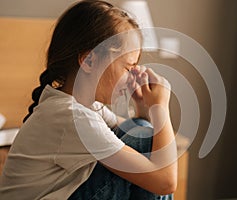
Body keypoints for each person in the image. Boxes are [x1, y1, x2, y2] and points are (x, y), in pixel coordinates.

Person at [0, 0, 178, 199]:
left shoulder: (83, 107)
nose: (132, 77)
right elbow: (165, 182)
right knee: (143, 138)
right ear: (89, 60)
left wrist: (144, 109)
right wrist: (160, 107)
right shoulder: (72, 116)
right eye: (129, 68)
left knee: (139, 128)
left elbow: (134, 131)